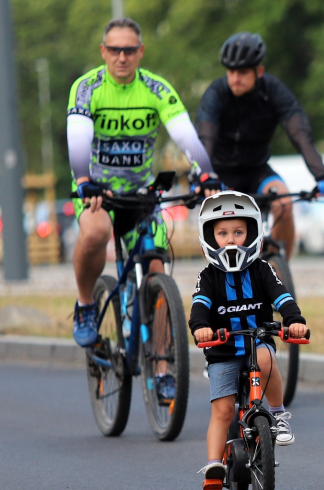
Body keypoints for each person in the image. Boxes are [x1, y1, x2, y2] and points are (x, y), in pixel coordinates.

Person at [67, 17, 217, 349]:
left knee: (155, 267)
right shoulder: (87, 87)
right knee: (95, 232)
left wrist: (205, 172)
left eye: (129, 50)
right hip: (97, 190)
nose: (122, 57)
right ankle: (85, 304)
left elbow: (185, 134)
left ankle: (163, 363)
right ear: (103, 51)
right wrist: (84, 179)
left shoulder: (156, 88)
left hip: (140, 193)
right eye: (115, 50)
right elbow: (77, 138)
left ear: (141, 51)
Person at [188, 191, 308, 489]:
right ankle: (214, 464)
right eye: (222, 233)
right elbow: (199, 307)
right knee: (223, 411)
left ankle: (278, 414)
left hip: (258, 342)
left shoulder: (262, 269)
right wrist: (201, 328)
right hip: (222, 351)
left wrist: (294, 320)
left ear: (253, 234)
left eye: (239, 232)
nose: (231, 240)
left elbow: (282, 297)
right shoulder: (208, 276)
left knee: (267, 359)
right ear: (209, 238)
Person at [197, 32, 324, 260]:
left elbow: (299, 133)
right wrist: (204, 175)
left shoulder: (273, 91)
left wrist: (321, 175)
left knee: (284, 205)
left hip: (257, 171)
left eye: (242, 72)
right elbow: (205, 138)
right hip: (220, 176)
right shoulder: (216, 93)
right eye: (231, 72)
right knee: (229, 223)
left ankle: (279, 270)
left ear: (259, 72)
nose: (235, 78)